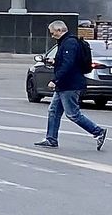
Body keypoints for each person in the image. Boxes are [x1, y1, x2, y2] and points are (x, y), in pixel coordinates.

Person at [35, 19, 107, 151]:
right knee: (53, 111)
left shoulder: (70, 43)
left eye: (53, 33)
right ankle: (51, 139)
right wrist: (55, 61)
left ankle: (98, 131)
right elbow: (66, 61)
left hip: (70, 85)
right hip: (64, 84)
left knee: (73, 114)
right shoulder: (65, 43)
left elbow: (68, 64)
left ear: (59, 30)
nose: (52, 36)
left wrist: (55, 80)